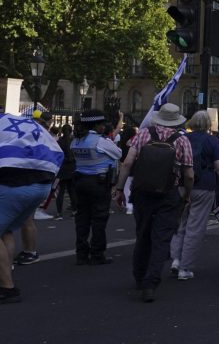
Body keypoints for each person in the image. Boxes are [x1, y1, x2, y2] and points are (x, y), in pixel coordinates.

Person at [113, 103, 193, 302]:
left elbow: (128, 163)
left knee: (143, 234)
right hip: (168, 193)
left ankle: (139, 275)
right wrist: (187, 194)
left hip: (142, 192)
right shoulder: (182, 140)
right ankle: (151, 281)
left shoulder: (143, 134)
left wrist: (119, 188)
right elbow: (189, 173)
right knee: (162, 238)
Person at [0, 113, 64, 303]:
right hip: (42, 183)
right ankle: (5, 271)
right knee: (6, 230)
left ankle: (7, 287)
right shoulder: (20, 121)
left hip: (13, 183)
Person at [169, 110, 219, 281]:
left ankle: (176, 259)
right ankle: (185, 267)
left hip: (181, 184)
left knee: (180, 223)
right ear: (209, 124)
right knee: (195, 227)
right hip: (205, 185)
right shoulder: (212, 141)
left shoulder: (182, 139)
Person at [70, 109, 122, 266]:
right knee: (99, 219)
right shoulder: (100, 141)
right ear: (97, 125)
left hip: (79, 182)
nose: (104, 127)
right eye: (102, 124)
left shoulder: (76, 140)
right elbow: (118, 153)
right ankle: (97, 254)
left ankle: (81, 254)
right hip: (98, 184)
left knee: (82, 219)